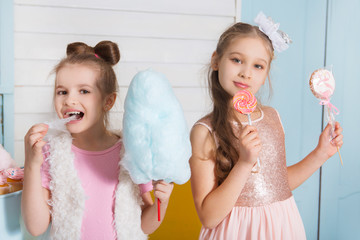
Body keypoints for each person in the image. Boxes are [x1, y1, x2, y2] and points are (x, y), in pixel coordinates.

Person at [189, 14, 343, 239]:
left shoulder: (272, 117)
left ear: (265, 75)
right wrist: (244, 163)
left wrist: (320, 154)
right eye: (236, 60)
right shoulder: (204, 132)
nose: (246, 72)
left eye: (258, 66)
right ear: (216, 61)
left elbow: (278, 184)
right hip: (236, 231)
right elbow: (209, 217)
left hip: (283, 225)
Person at [22, 41, 174, 239]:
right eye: (62, 92)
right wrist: (32, 164)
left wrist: (163, 202)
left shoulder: (130, 152)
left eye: (84, 91)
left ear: (108, 101)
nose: (69, 100)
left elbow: (145, 226)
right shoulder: (49, 154)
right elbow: (36, 227)